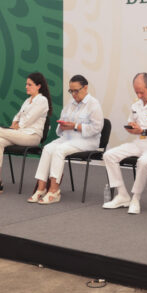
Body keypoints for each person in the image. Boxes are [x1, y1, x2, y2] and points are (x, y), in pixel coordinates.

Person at [0, 72, 52, 195]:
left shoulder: (42, 100)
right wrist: (15, 123)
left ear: (39, 86)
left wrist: (17, 125)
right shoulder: (28, 100)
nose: (26, 87)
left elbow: (28, 120)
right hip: (20, 134)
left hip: (32, 136)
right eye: (26, 84)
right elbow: (17, 115)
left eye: (30, 84)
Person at [103, 73, 147, 215]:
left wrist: (143, 131)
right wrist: (132, 127)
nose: (139, 95)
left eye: (141, 92)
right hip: (139, 142)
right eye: (136, 92)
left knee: (143, 161)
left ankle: (136, 198)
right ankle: (122, 195)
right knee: (109, 155)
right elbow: (132, 123)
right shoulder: (136, 103)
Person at [27, 75, 104, 204]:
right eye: (71, 91)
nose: (73, 94)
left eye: (76, 90)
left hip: (87, 141)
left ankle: (54, 190)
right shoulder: (70, 104)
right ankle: (41, 189)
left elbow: (97, 128)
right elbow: (60, 128)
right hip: (68, 138)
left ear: (85, 88)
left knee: (59, 150)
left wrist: (75, 126)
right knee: (47, 148)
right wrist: (62, 126)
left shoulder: (94, 104)